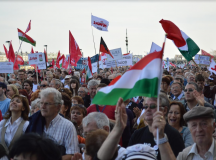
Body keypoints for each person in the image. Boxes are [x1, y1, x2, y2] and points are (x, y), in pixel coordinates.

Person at [26, 88, 79, 160]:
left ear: (58, 107)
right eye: (41, 103)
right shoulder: (33, 122)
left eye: (47, 103)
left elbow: (72, 154)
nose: (43, 107)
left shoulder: (67, 126)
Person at [128, 93, 185, 160]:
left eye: (152, 106)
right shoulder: (137, 134)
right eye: (146, 106)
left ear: (164, 110)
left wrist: (161, 138)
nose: (148, 109)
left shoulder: (174, 135)